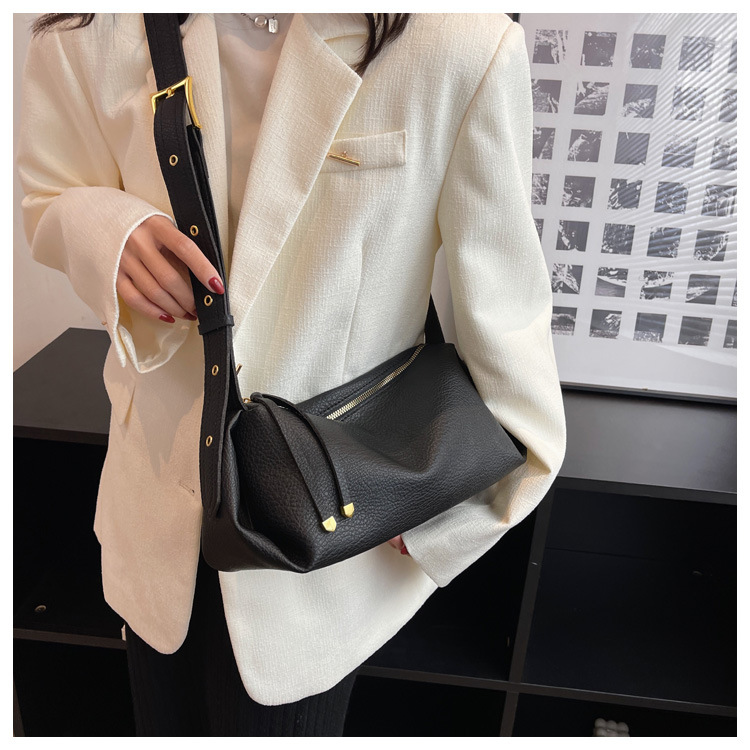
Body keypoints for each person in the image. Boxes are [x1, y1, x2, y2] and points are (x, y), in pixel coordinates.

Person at [16, 12, 567, 737]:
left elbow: (507, 320)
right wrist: (103, 231)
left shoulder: (460, 44)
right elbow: (48, 194)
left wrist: (456, 517)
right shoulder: (90, 30)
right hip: (153, 509)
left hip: (323, 538)